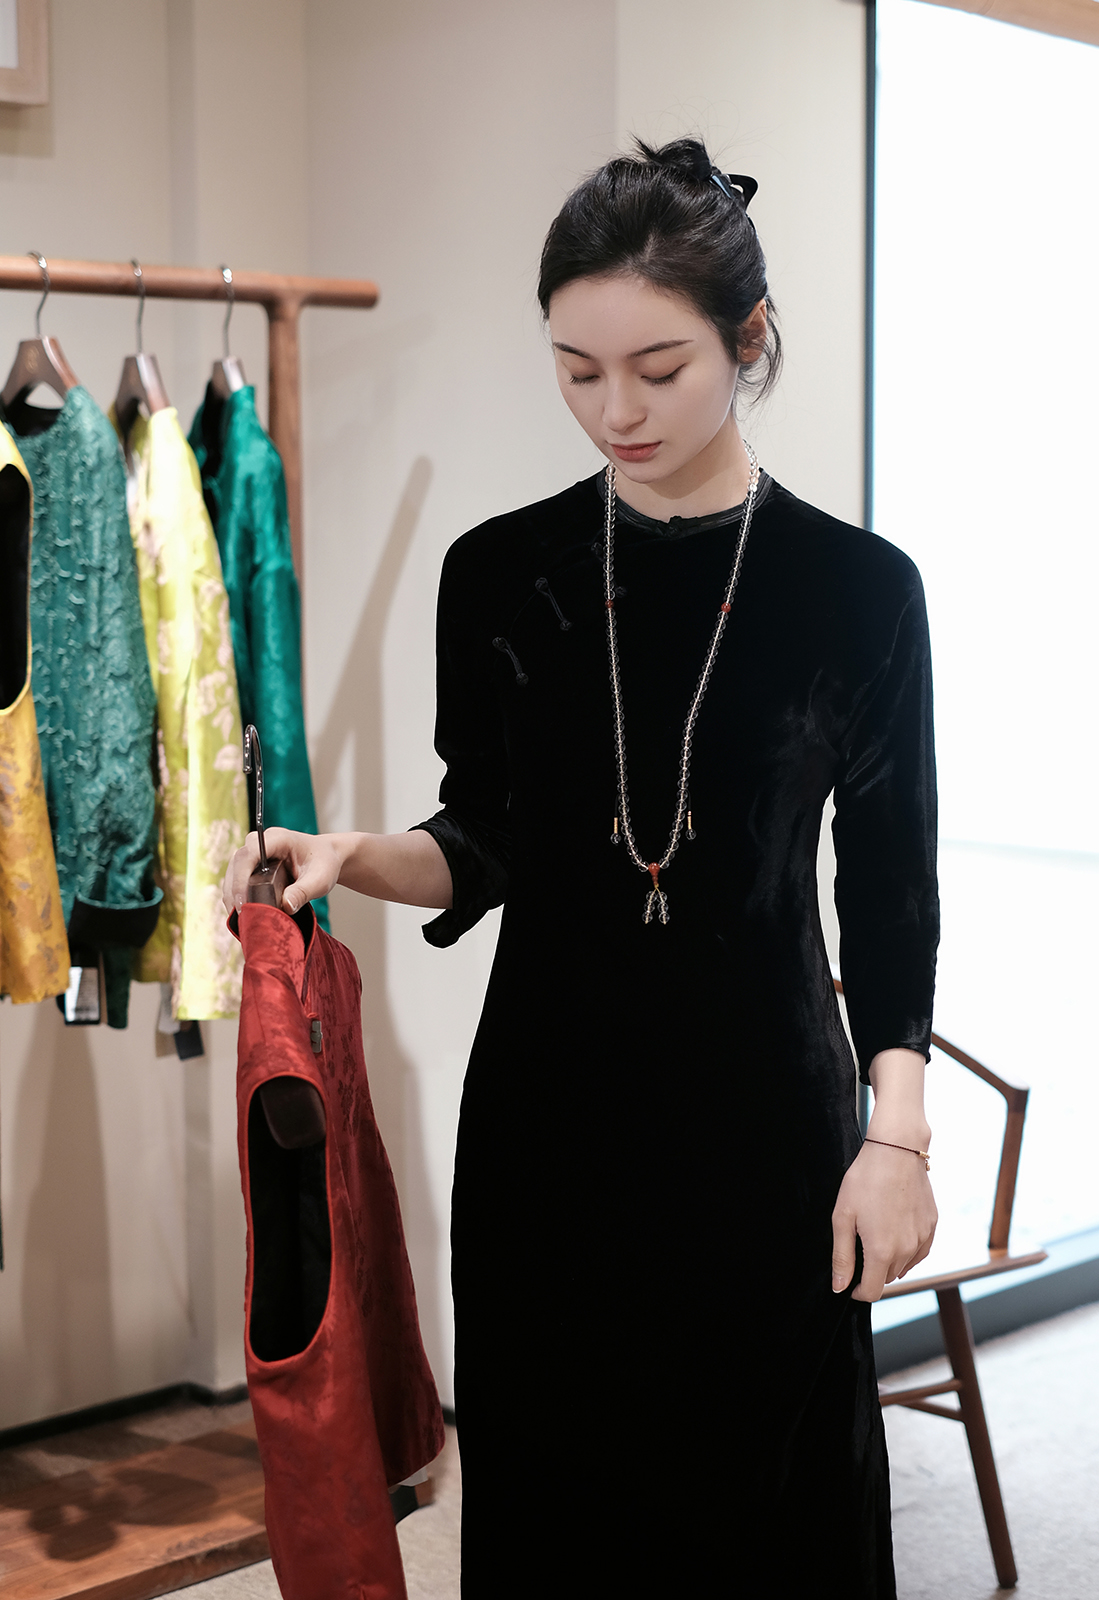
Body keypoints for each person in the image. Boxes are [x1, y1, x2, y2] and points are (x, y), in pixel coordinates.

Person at [224, 137, 939, 1599]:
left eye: (659, 370)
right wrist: (351, 854)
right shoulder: (500, 574)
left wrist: (899, 1138)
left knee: (772, 1524)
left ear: (748, 341)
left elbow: (891, 892)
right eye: (576, 370)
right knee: (560, 1516)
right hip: (547, 1140)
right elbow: (487, 838)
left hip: (766, 1139)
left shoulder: (859, 594)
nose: (616, 411)